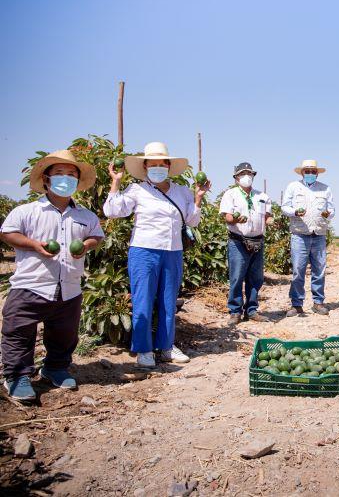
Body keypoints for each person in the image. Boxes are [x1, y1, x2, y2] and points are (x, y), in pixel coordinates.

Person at [0, 150, 104, 401]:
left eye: (71, 175)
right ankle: (16, 375)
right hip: (31, 285)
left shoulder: (85, 216)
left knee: (64, 334)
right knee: (19, 331)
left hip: (69, 287)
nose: (65, 179)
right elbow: (7, 233)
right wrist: (34, 244)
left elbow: (96, 236)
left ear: (78, 182)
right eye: (59, 174)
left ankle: (55, 368)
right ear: (46, 179)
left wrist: (87, 245)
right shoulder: (27, 212)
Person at [103, 142, 210, 368]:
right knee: (143, 300)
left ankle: (167, 347)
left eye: (162, 163)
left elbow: (192, 221)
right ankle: (144, 350)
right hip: (143, 251)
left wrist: (198, 197)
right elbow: (112, 211)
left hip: (173, 251)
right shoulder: (137, 189)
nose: (158, 167)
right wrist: (116, 181)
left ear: (169, 166)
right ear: (145, 167)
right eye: (153, 164)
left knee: (168, 302)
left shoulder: (181, 191)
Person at [219, 162, 273, 325]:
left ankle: (252, 310)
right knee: (236, 277)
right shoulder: (230, 194)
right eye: (243, 174)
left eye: (249, 173)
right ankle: (235, 311)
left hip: (257, 240)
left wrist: (271, 221)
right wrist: (236, 218)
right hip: (238, 241)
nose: (246, 176)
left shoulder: (262, 196)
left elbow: (268, 216)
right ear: (236, 178)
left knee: (255, 278)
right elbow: (227, 217)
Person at [280, 159, 335, 317]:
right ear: (302, 173)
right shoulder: (293, 187)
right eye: (307, 171)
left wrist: (328, 214)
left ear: (317, 173)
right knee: (298, 270)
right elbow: (284, 207)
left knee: (320, 270)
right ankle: (296, 304)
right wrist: (295, 212)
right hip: (299, 234)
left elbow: (332, 210)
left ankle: (318, 302)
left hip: (318, 234)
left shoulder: (325, 189)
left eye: (313, 171)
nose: (310, 174)